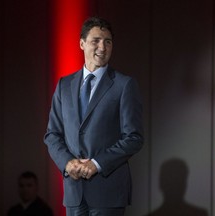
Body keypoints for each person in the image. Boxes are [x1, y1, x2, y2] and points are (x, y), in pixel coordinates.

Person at [44, 16, 144, 216]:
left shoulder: (124, 85)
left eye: (108, 41)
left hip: (108, 191)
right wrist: (67, 162)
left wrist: (97, 164)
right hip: (74, 192)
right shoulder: (64, 85)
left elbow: (134, 137)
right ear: (82, 44)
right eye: (96, 40)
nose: (103, 46)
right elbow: (52, 134)